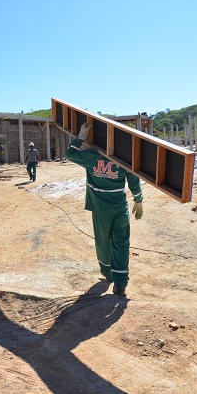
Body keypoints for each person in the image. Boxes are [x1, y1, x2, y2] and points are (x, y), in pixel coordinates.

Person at [66, 122, 143, 297]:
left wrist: (80, 137)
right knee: (122, 245)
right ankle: (121, 284)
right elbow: (134, 181)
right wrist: (138, 201)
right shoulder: (124, 158)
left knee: (103, 243)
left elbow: (69, 154)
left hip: (100, 211)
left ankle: (108, 273)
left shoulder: (91, 157)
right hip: (120, 210)